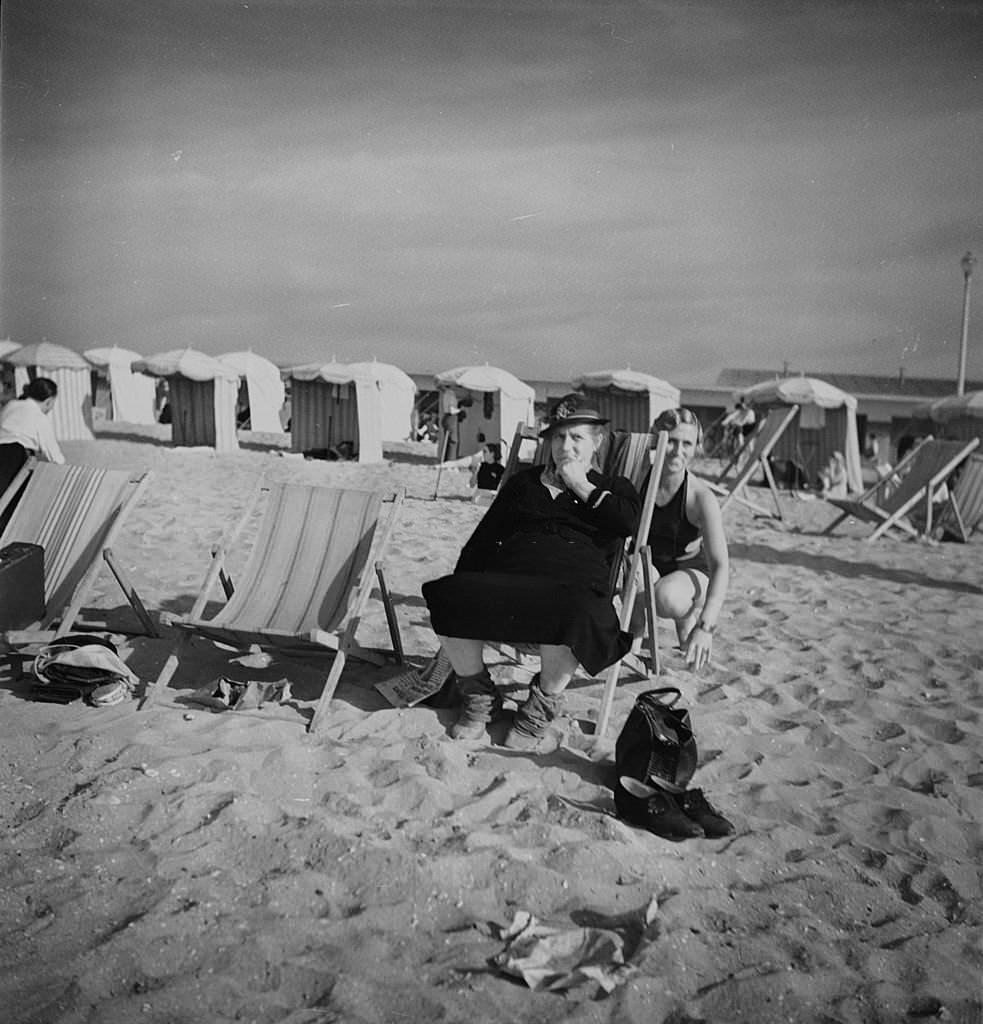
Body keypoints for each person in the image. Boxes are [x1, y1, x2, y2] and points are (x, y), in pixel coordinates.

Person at [422, 393, 641, 747]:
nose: (564, 446)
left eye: (576, 437)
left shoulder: (614, 489)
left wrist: (581, 485)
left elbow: (628, 522)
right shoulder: (523, 484)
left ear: (597, 442)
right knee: (446, 593)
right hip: (509, 586)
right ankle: (480, 698)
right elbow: (480, 543)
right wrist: (463, 587)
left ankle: (539, 707)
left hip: (570, 592)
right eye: (558, 437)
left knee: (578, 610)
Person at [633, 407, 729, 671]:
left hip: (690, 572)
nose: (677, 450)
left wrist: (706, 626)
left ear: (696, 447)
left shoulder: (700, 497)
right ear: (656, 439)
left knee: (666, 598)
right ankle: (633, 640)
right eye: (671, 441)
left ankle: (686, 619)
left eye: (686, 443)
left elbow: (721, 566)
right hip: (650, 566)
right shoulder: (640, 479)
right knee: (629, 571)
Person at [0, 377, 65, 496]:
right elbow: (54, 455)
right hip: (15, 457)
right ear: (49, 401)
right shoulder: (38, 417)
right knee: (13, 501)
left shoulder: (11, 405)